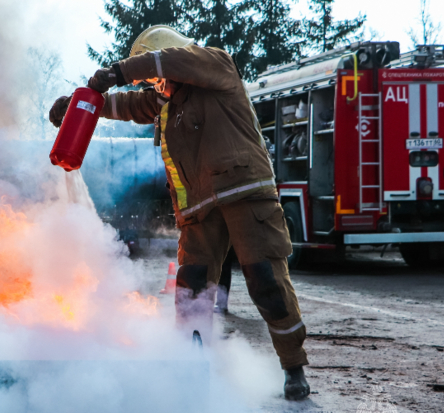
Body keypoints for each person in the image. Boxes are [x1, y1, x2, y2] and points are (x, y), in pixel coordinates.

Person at [49, 26, 310, 401]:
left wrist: (118, 71)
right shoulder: (165, 101)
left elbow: (172, 62)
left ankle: (293, 366)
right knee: (191, 292)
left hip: (245, 194)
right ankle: (192, 367)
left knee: (265, 280)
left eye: (155, 78)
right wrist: (81, 102)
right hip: (198, 212)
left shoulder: (216, 66)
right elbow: (125, 106)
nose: (154, 86)